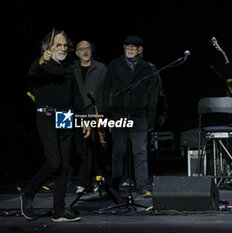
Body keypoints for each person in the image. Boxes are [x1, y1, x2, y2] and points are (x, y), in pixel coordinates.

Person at [20, 30, 90, 222]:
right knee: (54, 162)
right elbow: (31, 72)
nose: (63, 48)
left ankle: (59, 211)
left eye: (65, 45)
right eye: (58, 45)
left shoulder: (69, 69)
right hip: (47, 115)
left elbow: (76, 97)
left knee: (64, 166)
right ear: (49, 47)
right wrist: (42, 60)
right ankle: (28, 194)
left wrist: (84, 119)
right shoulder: (42, 66)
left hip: (65, 116)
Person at [103, 35, 160, 198]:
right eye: (127, 46)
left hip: (139, 116)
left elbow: (153, 96)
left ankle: (141, 186)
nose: (129, 49)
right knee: (118, 150)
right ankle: (115, 185)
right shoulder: (115, 65)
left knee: (140, 152)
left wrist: (151, 120)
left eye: (133, 47)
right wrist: (107, 117)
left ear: (140, 50)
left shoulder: (148, 68)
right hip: (119, 113)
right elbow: (106, 91)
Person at [72, 40, 107, 194]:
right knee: (78, 149)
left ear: (91, 51)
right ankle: (94, 177)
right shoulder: (71, 69)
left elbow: (106, 93)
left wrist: (104, 114)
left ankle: (82, 182)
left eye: (87, 49)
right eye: (82, 49)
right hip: (73, 113)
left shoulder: (101, 69)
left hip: (94, 112)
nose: (85, 52)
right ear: (77, 52)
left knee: (90, 147)